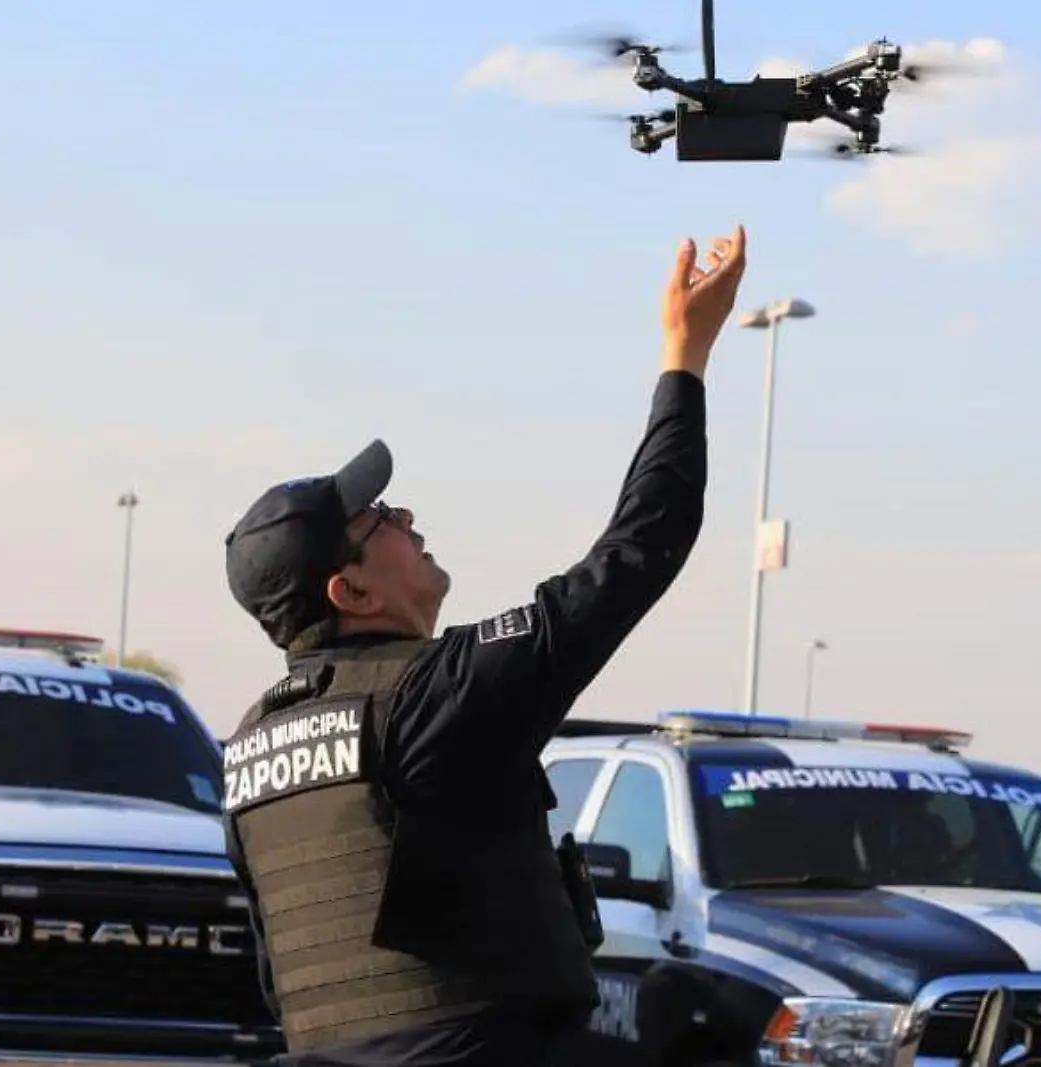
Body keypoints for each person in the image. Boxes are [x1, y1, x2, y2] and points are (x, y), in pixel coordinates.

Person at [216, 224, 749, 1067]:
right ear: (349, 592)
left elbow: (281, 974)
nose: (407, 517)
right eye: (379, 520)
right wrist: (685, 357)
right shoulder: (433, 695)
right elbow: (640, 548)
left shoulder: (250, 746)